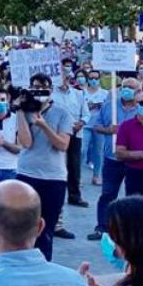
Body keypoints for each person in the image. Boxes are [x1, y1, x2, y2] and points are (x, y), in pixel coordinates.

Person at [13, 74, 74, 260]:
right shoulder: (26, 112)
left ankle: (44, 264)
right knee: (24, 225)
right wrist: (20, 111)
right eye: (35, 87)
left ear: (50, 90)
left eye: (43, 88)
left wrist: (44, 126)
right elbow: (26, 143)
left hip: (53, 178)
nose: (39, 91)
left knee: (46, 228)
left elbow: (63, 145)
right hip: (27, 174)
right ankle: (23, 264)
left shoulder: (63, 114)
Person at [87, 77, 142, 241]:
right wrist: (108, 130)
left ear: (138, 91)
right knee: (108, 194)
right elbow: (95, 126)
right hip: (112, 157)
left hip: (134, 159)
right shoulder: (109, 106)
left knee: (134, 197)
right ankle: (103, 227)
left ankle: (131, 230)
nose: (127, 90)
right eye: (125, 86)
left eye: (131, 87)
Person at [52, 72, 87, 208]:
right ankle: (56, 195)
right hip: (56, 133)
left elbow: (86, 114)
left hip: (75, 133)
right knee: (56, 164)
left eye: (66, 78)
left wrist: (81, 123)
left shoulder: (78, 94)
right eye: (61, 78)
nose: (64, 81)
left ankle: (74, 196)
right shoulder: (51, 95)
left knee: (74, 166)